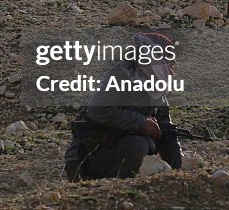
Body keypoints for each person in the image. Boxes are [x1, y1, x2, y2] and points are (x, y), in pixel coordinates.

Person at [64, 32, 183, 180]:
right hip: (87, 159)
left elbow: (165, 130)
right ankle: (108, 187)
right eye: (168, 60)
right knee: (140, 144)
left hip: (116, 149)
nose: (172, 66)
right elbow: (97, 110)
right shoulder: (119, 76)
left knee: (149, 144)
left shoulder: (154, 89)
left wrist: (178, 169)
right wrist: (141, 123)